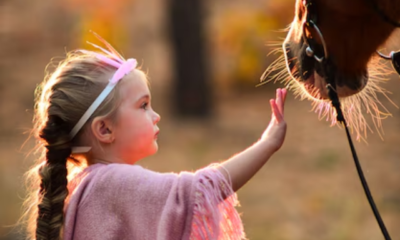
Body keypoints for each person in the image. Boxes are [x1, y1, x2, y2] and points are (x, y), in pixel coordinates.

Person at [21, 34, 287, 240]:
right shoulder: (113, 183)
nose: (156, 115)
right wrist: (268, 144)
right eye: (143, 106)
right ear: (104, 130)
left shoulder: (85, 185)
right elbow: (199, 191)